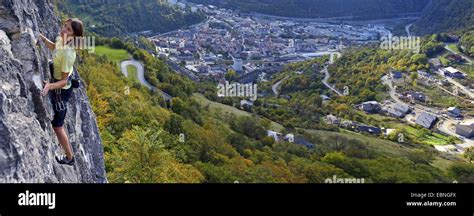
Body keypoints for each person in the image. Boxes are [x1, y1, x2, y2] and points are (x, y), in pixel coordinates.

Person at [38, 18, 84, 166]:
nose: (63, 30)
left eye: (68, 29)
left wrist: (50, 86)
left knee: (58, 125)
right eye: (65, 26)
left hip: (62, 90)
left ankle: (70, 158)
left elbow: (64, 82)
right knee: (57, 123)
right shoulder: (61, 39)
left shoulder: (69, 54)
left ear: (74, 36)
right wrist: (43, 39)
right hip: (59, 80)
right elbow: (54, 47)